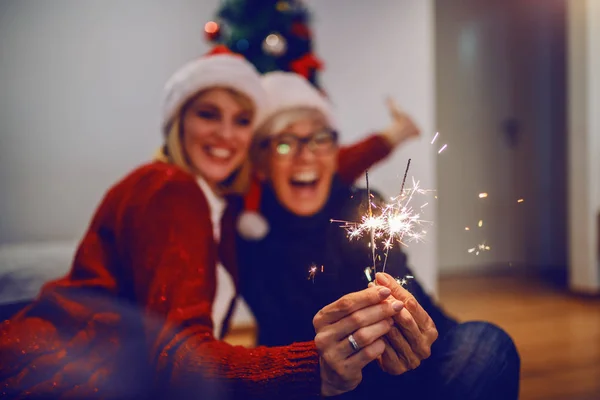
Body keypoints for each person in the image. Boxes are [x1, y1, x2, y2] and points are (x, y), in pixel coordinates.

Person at [0, 53, 411, 399]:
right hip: (66, 371)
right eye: (208, 114)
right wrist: (313, 367)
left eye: (242, 119)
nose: (226, 134)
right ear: (179, 120)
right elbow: (180, 358)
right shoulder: (171, 189)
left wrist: (391, 137)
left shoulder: (223, 200)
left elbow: (319, 162)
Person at [236, 71, 521, 399]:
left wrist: (421, 331)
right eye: (284, 143)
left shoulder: (362, 207)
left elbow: (423, 310)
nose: (307, 155)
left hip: (405, 375)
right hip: (315, 386)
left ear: (334, 155)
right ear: (261, 163)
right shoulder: (248, 234)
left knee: (485, 342)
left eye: (320, 139)